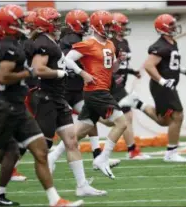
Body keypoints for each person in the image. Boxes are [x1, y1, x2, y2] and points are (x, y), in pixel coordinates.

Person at [0, 5, 84, 207]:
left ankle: (54, 200)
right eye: (19, 21)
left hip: (17, 107)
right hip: (6, 108)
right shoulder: (8, 47)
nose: (23, 25)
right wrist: (28, 73)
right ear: (8, 26)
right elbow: (3, 76)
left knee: (39, 151)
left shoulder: (4, 47)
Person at [28, 7, 107, 196]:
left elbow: (63, 60)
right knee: (42, 146)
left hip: (58, 97)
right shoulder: (42, 42)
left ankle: (82, 186)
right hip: (46, 98)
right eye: (54, 20)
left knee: (71, 141)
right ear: (44, 23)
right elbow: (38, 69)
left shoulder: (51, 40)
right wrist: (59, 73)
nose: (58, 23)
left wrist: (78, 72)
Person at [48, 9, 120, 173]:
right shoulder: (75, 41)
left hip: (76, 88)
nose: (87, 26)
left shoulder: (81, 39)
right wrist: (84, 71)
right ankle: (97, 157)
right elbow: (66, 61)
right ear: (74, 24)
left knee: (87, 123)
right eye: (84, 23)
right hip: (69, 89)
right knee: (64, 128)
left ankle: (96, 155)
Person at [119, 14, 186, 162]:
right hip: (163, 86)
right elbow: (148, 65)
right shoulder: (160, 46)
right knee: (178, 115)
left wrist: (183, 70)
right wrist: (162, 81)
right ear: (163, 28)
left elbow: (169, 65)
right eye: (171, 24)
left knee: (164, 121)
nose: (174, 26)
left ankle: (137, 103)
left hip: (166, 85)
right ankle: (171, 153)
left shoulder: (171, 42)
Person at [65, 10, 128, 179]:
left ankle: (52, 156)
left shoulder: (110, 44)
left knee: (78, 133)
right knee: (121, 122)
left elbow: (111, 69)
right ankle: (102, 158)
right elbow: (67, 59)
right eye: (107, 25)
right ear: (98, 25)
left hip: (100, 90)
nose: (109, 28)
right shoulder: (88, 43)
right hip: (96, 91)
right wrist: (82, 73)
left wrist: (118, 62)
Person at [109, 12, 150, 160]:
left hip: (120, 85)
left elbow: (123, 65)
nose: (125, 27)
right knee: (125, 117)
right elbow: (107, 66)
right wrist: (114, 78)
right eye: (123, 24)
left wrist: (133, 72)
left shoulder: (124, 42)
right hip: (112, 86)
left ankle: (131, 150)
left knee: (123, 118)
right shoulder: (111, 42)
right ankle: (132, 150)